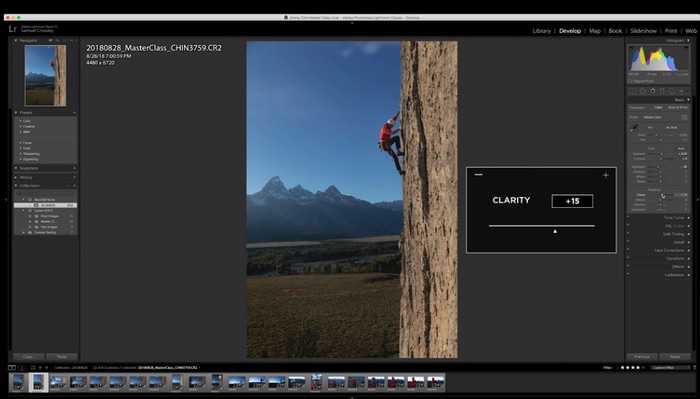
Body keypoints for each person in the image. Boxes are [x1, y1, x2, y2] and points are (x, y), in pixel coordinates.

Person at [378, 111, 405, 175]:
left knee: (396, 138)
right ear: (389, 124)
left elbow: (394, 119)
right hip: (384, 145)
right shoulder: (384, 129)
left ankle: (398, 151)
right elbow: (392, 133)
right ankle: (400, 171)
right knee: (394, 157)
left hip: (387, 142)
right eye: (391, 126)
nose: (392, 127)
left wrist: (398, 113)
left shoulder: (389, 123)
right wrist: (399, 129)